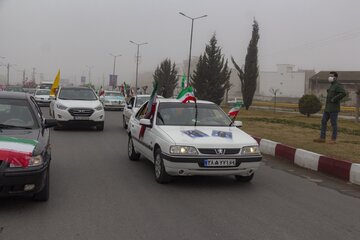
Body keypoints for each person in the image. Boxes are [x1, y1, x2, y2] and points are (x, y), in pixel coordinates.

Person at [314, 71, 346, 144]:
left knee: (333, 124)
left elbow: (343, 93)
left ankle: (333, 139)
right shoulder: (332, 85)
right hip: (327, 108)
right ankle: (322, 138)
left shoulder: (338, 85)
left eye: (331, 76)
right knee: (323, 121)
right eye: (329, 76)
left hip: (334, 108)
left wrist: (334, 99)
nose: (330, 77)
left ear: (335, 77)